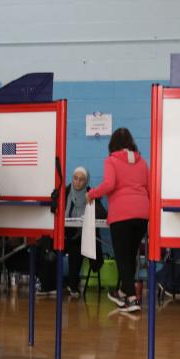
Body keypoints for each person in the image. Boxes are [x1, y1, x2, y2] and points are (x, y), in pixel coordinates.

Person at [87, 128, 150, 313]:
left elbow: (109, 184)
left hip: (122, 214)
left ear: (113, 144)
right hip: (142, 214)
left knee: (122, 257)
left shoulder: (111, 160)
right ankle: (122, 291)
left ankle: (132, 299)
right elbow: (150, 188)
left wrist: (91, 194)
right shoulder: (142, 162)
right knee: (130, 256)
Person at [36, 166, 106, 298]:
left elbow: (103, 214)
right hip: (63, 235)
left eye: (81, 180)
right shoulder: (64, 192)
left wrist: (90, 203)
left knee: (77, 248)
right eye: (75, 178)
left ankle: (73, 286)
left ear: (86, 182)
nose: (78, 182)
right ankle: (48, 285)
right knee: (47, 243)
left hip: (81, 237)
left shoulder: (91, 193)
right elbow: (52, 211)